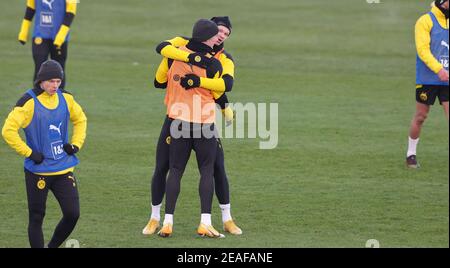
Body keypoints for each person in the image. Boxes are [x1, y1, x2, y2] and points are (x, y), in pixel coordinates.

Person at [142, 17, 242, 236]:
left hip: (182, 119)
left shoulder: (222, 58)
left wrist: (197, 82)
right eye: (219, 32)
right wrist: (195, 60)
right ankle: (156, 218)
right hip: (195, 120)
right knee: (164, 167)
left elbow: (226, 86)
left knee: (215, 169)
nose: (222, 36)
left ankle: (225, 219)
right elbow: (220, 89)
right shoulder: (197, 55)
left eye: (226, 33)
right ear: (210, 34)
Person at [1, 60, 87, 248]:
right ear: (41, 81)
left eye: (58, 81)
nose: (55, 85)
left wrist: (76, 144)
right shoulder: (28, 102)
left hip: (63, 169)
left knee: (73, 214)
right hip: (37, 172)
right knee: (36, 217)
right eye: (51, 81)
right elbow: (8, 130)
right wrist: (30, 152)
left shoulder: (66, 98)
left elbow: (80, 119)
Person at [406, 0, 449, 168]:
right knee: (420, 117)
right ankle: (411, 154)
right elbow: (422, 50)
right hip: (428, 78)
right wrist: (439, 70)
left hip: (447, 78)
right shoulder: (425, 21)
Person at [18, 0, 78, 89]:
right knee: (40, 68)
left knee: (59, 70)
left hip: (59, 38)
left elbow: (71, 13)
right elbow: (30, 8)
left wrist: (61, 34)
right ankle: (38, 98)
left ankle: (59, 97)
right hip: (40, 35)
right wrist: (24, 30)